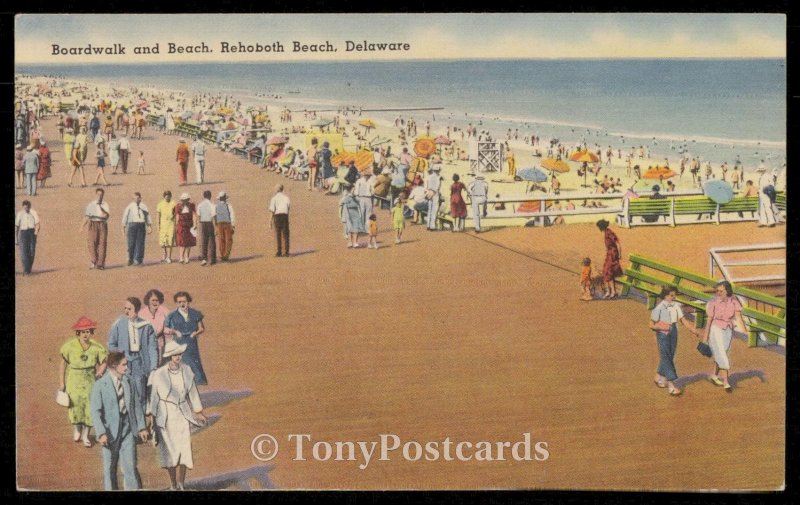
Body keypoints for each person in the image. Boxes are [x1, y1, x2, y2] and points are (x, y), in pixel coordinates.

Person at [147, 341, 208, 491]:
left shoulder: (187, 370)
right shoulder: (159, 374)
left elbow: (192, 392)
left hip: (182, 413)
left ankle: (181, 483)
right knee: (170, 451)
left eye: (179, 353)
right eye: (175, 354)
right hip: (165, 415)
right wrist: (151, 416)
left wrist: (198, 411)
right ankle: (173, 484)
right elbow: (154, 396)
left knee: (184, 448)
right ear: (169, 356)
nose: (178, 357)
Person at [90, 351, 149, 490]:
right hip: (109, 433)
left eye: (126, 364)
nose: (127, 367)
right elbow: (95, 411)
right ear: (113, 366)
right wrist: (101, 433)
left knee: (130, 466)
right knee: (110, 468)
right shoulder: (100, 385)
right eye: (123, 365)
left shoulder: (129, 381)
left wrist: (142, 427)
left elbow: (136, 406)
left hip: (128, 429)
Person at [59, 316, 108, 447]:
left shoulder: (97, 347)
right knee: (75, 406)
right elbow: (63, 364)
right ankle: (77, 429)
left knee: (89, 408)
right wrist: (62, 383)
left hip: (90, 380)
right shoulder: (69, 346)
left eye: (88, 331)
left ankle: (86, 435)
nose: (85, 334)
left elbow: (104, 362)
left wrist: (100, 372)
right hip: (74, 379)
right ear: (78, 333)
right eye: (83, 331)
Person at [649, 286, 701, 396]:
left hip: (673, 332)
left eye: (674, 295)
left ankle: (658, 376)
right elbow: (651, 325)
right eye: (671, 295)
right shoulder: (659, 308)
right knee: (666, 356)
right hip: (663, 333)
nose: (674, 297)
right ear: (666, 295)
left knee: (669, 356)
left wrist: (693, 330)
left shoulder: (676, 306)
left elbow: (683, 320)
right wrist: (662, 327)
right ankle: (671, 385)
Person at [108, 297, 159, 403]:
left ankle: (141, 417)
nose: (126, 311)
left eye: (129, 309)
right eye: (125, 308)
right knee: (124, 391)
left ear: (136, 309)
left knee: (140, 392)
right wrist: (119, 357)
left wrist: (153, 367)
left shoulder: (146, 326)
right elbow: (111, 344)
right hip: (123, 361)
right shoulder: (119, 324)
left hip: (139, 362)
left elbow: (152, 348)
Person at [703, 281, 747, 392]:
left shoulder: (734, 301)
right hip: (715, 329)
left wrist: (745, 331)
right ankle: (726, 382)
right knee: (722, 355)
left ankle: (714, 376)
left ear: (727, 290)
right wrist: (705, 337)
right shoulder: (713, 303)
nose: (718, 293)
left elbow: (738, 317)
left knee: (721, 353)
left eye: (721, 291)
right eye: (717, 291)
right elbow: (709, 321)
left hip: (728, 329)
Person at [164, 291, 208, 385]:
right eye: (179, 302)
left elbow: (201, 328)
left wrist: (194, 334)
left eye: (184, 301)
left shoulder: (195, 313)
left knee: (194, 366)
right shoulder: (172, 315)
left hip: (192, 342)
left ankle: (194, 390)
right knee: (181, 365)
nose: (182, 304)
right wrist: (175, 331)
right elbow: (165, 329)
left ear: (188, 301)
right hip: (178, 342)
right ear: (176, 303)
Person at [139, 289, 171, 365]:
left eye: (157, 300)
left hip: (161, 343)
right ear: (148, 301)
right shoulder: (142, 313)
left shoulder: (164, 310)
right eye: (153, 300)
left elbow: (170, 325)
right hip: (146, 343)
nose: (155, 302)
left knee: (161, 365)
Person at [80, 187, 110, 270]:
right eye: (98, 194)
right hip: (93, 223)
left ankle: (100, 264)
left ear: (103, 195)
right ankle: (94, 261)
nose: (100, 196)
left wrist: (103, 211)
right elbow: (86, 216)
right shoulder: (91, 205)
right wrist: (82, 226)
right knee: (92, 243)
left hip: (102, 224)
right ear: (96, 195)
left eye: (101, 195)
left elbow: (106, 216)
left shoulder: (105, 204)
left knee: (102, 243)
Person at [121, 192, 152, 266]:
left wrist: (149, 226)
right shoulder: (130, 206)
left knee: (140, 243)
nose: (136, 199)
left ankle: (139, 260)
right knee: (131, 243)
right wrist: (123, 228)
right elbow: (125, 216)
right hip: (132, 225)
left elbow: (147, 216)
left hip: (141, 225)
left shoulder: (144, 206)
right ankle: (130, 259)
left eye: (138, 198)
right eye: (135, 198)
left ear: (140, 198)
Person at [596, 219, 622, 299]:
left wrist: (619, 254)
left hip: (612, 254)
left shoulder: (609, 232)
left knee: (608, 272)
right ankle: (610, 291)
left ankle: (612, 292)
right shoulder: (606, 232)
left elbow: (618, 243)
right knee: (606, 272)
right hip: (609, 254)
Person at [15, 200, 40, 275]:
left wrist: (35, 233)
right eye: (25, 207)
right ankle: (26, 269)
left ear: (30, 207)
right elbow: (16, 227)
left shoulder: (34, 213)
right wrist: (16, 239)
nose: (26, 209)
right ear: (23, 207)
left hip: (31, 233)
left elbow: (38, 224)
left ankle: (29, 268)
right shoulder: (20, 214)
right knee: (24, 252)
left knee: (32, 251)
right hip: (23, 233)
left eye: (27, 207)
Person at [173, 193, 197, 264]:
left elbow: (194, 215)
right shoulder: (178, 206)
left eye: (186, 200)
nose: (184, 201)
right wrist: (176, 225)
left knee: (188, 242)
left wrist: (195, 224)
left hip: (189, 225)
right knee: (181, 242)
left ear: (188, 200)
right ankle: (181, 257)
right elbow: (177, 216)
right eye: (183, 200)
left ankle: (187, 257)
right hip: (181, 225)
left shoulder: (191, 206)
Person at [268, 183, 291, 257]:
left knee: (278, 234)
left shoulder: (274, 198)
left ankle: (279, 251)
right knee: (286, 234)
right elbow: (288, 207)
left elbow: (272, 210)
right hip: (284, 215)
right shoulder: (286, 198)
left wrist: (270, 221)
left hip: (277, 216)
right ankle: (286, 251)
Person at [197, 190, 217, 266]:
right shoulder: (212, 205)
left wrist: (200, 224)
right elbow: (214, 216)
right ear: (210, 196)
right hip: (209, 223)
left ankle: (204, 258)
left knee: (203, 241)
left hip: (202, 223)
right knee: (211, 241)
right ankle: (212, 259)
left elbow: (198, 216)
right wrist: (216, 226)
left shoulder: (200, 205)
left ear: (204, 196)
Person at [157, 190, 177, 263]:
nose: (167, 198)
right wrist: (158, 225)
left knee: (170, 241)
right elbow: (158, 215)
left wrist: (173, 216)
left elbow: (176, 212)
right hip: (163, 224)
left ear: (170, 196)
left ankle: (169, 257)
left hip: (170, 224)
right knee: (163, 241)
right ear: (164, 196)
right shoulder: (160, 204)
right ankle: (164, 255)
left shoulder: (173, 203)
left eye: (169, 196)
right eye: (166, 196)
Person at [215, 191, 236, 261]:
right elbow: (232, 215)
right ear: (225, 198)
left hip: (219, 224)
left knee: (221, 239)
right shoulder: (228, 205)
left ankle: (222, 254)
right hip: (227, 223)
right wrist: (233, 225)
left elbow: (215, 216)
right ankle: (226, 255)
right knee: (228, 239)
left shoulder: (216, 206)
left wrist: (216, 226)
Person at [424, 164, 442, 230]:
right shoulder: (439, 177)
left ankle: (428, 225)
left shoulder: (428, 177)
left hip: (429, 192)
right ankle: (432, 225)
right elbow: (438, 187)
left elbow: (425, 187)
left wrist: (427, 192)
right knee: (434, 210)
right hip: (435, 193)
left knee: (430, 209)